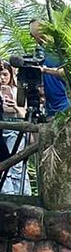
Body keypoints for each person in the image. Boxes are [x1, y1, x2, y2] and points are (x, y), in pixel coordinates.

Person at [0, 60, 30, 195]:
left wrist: (15, 107)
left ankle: (22, 194)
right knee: (3, 164)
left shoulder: (18, 91)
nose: (2, 78)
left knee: (16, 164)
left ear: (11, 75)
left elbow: (24, 114)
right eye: (0, 75)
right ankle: (7, 193)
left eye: (5, 74)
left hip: (15, 131)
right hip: (2, 132)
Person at [28, 19, 69, 116]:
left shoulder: (63, 49)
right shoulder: (39, 53)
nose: (39, 40)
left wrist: (46, 70)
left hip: (66, 103)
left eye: (42, 36)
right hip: (49, 106)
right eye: (35, 37)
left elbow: (70, 73)